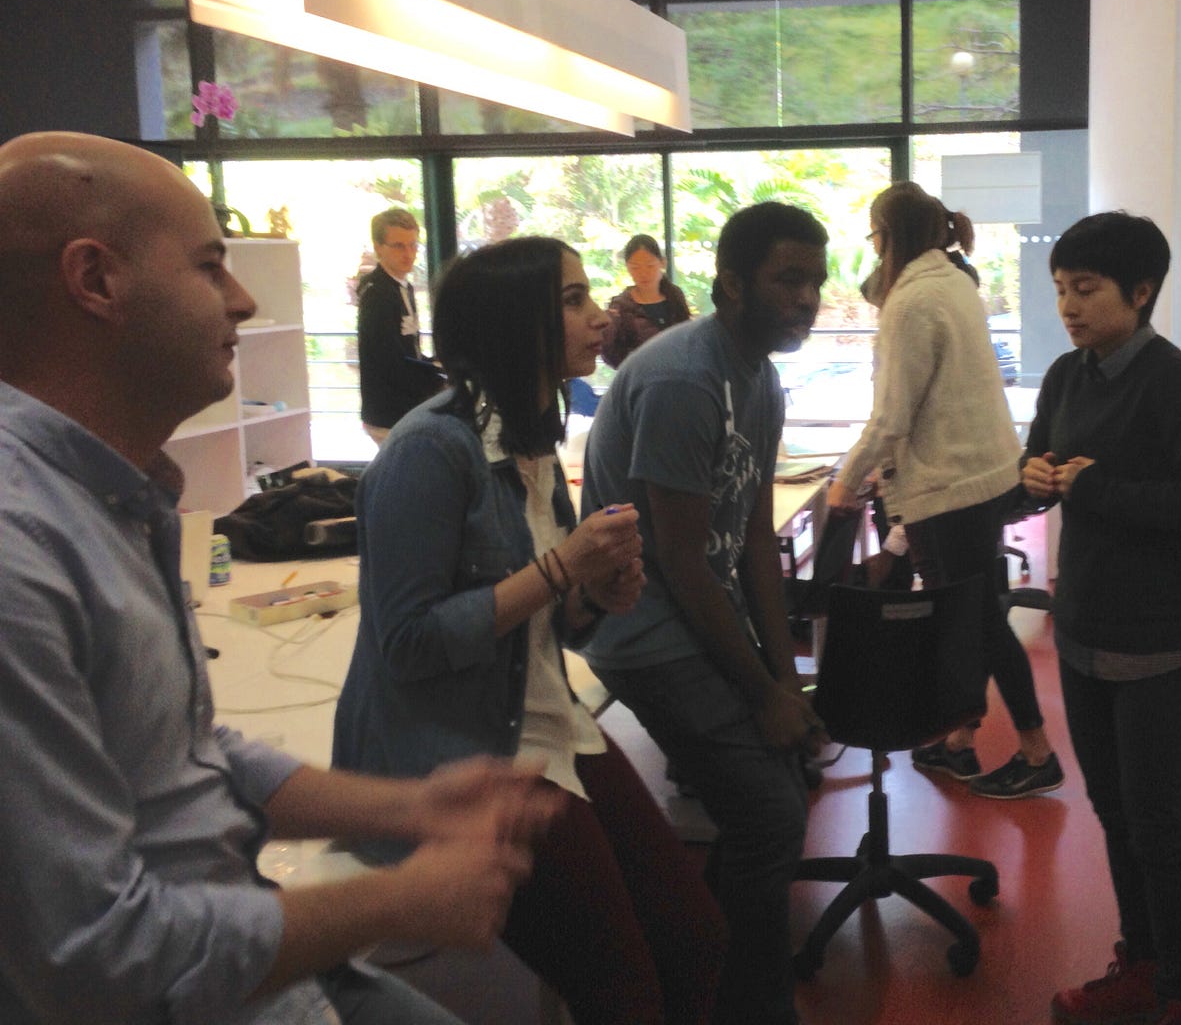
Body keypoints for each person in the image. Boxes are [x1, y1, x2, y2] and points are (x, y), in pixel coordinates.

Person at [0, 131, 553, 1025]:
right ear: (96, 280)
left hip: (256, 967)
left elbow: (185, 754)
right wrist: (401, 899)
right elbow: (93, 959)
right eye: (209, 265)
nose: (244, 297)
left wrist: (411, 804)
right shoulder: (20, 547)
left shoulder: (110, 497)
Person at [333, 236, 727, 1025]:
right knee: (622, 990)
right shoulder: (429, 451)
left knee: (694, 936)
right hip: (466, 749)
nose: (601, 316)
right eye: (575, 301)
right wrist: (561, 570)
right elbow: (407, 643)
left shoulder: (533, 440)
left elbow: (551, 628)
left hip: (544, 717)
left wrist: (593, 594)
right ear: (517, 326)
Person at [579, 202, 830, 1025]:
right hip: (644, 626)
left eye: (815, 281)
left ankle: (708, 964)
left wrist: (784, 681)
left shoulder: (760, 375)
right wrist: (761, 693)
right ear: (731, 284)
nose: (806, 298)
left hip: (695, 611)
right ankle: (746, 1004)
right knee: (770, 815)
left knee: (779, 789)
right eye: (788, 280)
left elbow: (753, 535)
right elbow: (682, 563)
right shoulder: (685, 379)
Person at [1027, 212, 1181, 1025]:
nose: (1068, 306)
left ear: (1142, 291)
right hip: (1083, 632)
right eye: (1061, 289)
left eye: (1086, 289)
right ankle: (1142, 966)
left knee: (1159, 827)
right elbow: (1039, 464)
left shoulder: (1174, 383)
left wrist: (1096, 489)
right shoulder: (1066, 375)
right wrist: (1030, 477)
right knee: (1116, 816)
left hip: (1161, 646)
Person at [828, 181, 1064, 799]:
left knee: (978, 624)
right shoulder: (955, 282)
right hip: (985, 475)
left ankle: (1036, 751)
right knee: (974, 617)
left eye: (875, 238)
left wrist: (845, 482)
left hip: (949, 486)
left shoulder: (913, 302)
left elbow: (891, 418)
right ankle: (959, 740)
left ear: (888, 236)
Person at [358, 206, 445, 444]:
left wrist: (436, 366)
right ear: (378, 248)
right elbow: (388, 359)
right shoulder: (377, 294)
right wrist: (437, 382)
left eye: (413, 245)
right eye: (398, 246)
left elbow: (408, 349)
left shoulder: (403, 287)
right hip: (390, 412)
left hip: (405, 407)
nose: (408, 254)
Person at [600, 232, 691, 368]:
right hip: (642, 374)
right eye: (635, 267)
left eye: (650, 265)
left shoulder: (675, 296)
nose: (643, 273)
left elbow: (687, 337)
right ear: (628, 268)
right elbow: (612, 354)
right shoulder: (621, 306)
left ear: (662, 263)